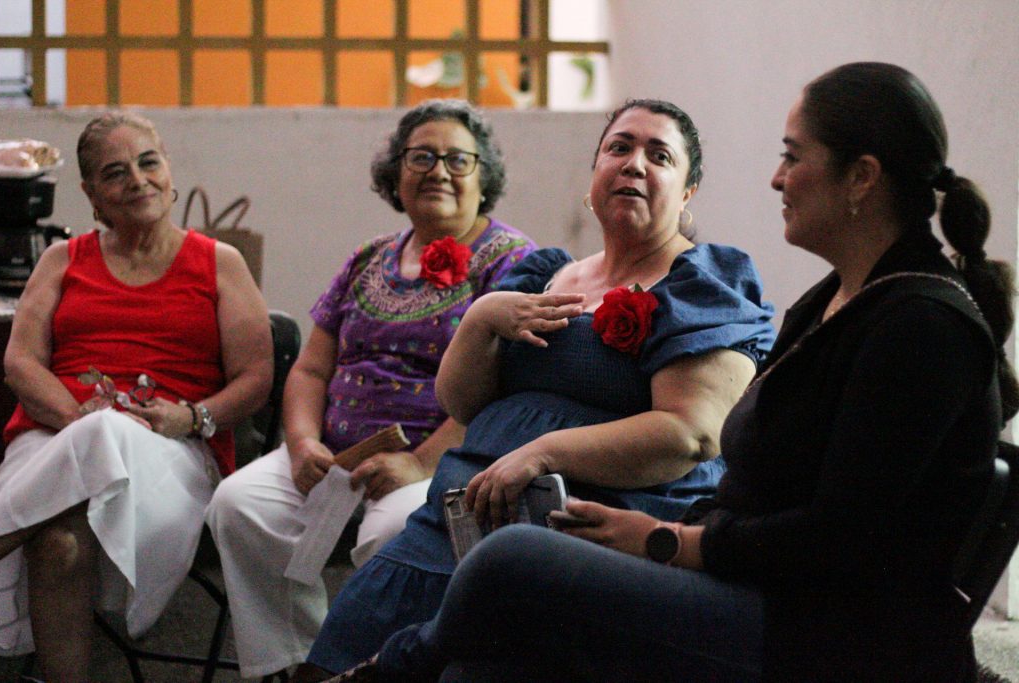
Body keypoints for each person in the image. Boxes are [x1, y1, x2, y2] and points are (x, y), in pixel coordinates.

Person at [319, 63, 1019, 683]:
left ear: (861, 177)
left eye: (792, 156)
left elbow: (837, 541)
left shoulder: (922, 328)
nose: (776, 177)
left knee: (513, 562)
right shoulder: (839, 299)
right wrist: (662, 535)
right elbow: (761, 488)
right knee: (488, 664)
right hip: (757, 583)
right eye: (617, 148)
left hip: (824, 636)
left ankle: (391, 667)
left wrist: (669, 540)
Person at [294, 98, 776, 681]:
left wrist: (543, 452)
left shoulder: (702, 284)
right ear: (594, 175)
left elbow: (690, 435)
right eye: (619, 148)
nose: (634, 164)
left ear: (687, 192)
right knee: (333, 656)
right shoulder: (546, 274)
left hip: (580, 540)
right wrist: (481, 319)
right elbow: (461, 403)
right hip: (452, 526)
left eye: (660, 156)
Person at [205, 99, 536, 679]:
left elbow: (505, 387)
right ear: (396, 174)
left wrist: (420, 463)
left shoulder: (513, 262)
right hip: (335, 456)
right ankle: (298, 660)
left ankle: (372, 670)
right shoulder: (369, 256)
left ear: (484, 179)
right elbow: (310, 370)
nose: (438, 171)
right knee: (239, 505)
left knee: (395, 533)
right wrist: (302, 444)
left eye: (458, 160)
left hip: (441, 462)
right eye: (422, 157)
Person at [0, 112, 272, 682]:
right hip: (52, 438)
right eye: (115, 172)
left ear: (168, 172)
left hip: (169, 451)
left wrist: (190, 417)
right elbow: (20, 363)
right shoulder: (61, 260)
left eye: (148, 163)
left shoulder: (220, 263)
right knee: (59, 544)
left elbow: (256, 378)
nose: (138, 180)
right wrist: (73, 417)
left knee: (109, 429)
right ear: (91, 195)